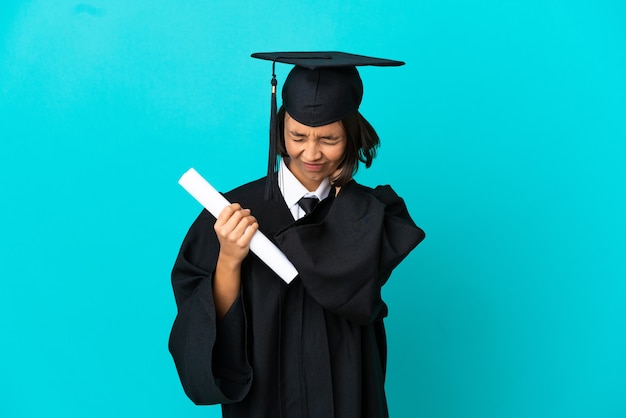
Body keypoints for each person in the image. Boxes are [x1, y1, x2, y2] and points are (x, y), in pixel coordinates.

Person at [169, 52, 425, 418]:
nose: (311, 152)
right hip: (264, 397)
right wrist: (228, 257)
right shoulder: (231, 212)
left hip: (348, 392)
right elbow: (200, 329)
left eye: (329, 138)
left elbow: (357, 298)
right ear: (280, 129)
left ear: (351, 135)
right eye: (298, 135)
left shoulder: (372, 214)